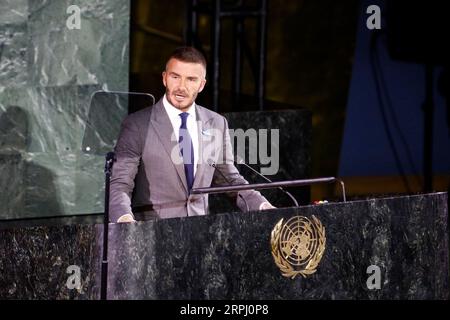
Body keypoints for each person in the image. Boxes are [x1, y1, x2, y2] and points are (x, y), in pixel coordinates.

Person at [110, 46, 274, 223]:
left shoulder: (216, 123)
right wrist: (124, 220)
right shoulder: (137, 124)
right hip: (152, 235)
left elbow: (231, 180)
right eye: (175, 77)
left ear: (202, 84)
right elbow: (120, 184)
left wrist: (263, 206)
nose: (181, 87)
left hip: (199, 234)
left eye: (191, 79)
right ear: (164, 78)